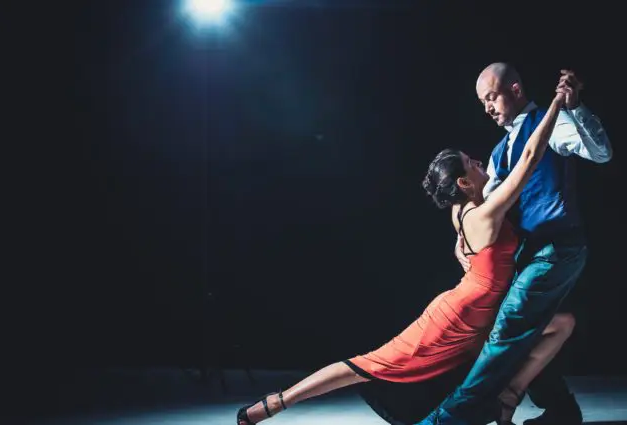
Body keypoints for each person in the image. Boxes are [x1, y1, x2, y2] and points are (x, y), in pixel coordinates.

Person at [237, 86, 572, 425]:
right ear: (464, 182)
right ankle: (276, 403)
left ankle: (508, 397)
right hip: (457, 319)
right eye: (473, 163)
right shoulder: (485, 215)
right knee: (367, 365)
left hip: (481, 311)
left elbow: (465, 244)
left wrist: (461, 250)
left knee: (561, 324)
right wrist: (556, 104)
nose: (481, 162)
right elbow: (530, 157)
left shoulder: (462, 209)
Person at [416, 64, 613, 425]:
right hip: (527, 253)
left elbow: (600, 153)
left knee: (508, 329)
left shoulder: (550, 124)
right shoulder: (498, 151)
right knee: (522, 330)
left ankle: (449, 419)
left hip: (556, 246)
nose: (488, 107)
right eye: (482, 102)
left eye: (491, 97)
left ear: (516, 89)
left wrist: (576, 107)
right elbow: (482, 202)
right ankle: (560, 410)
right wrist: (461, 237)